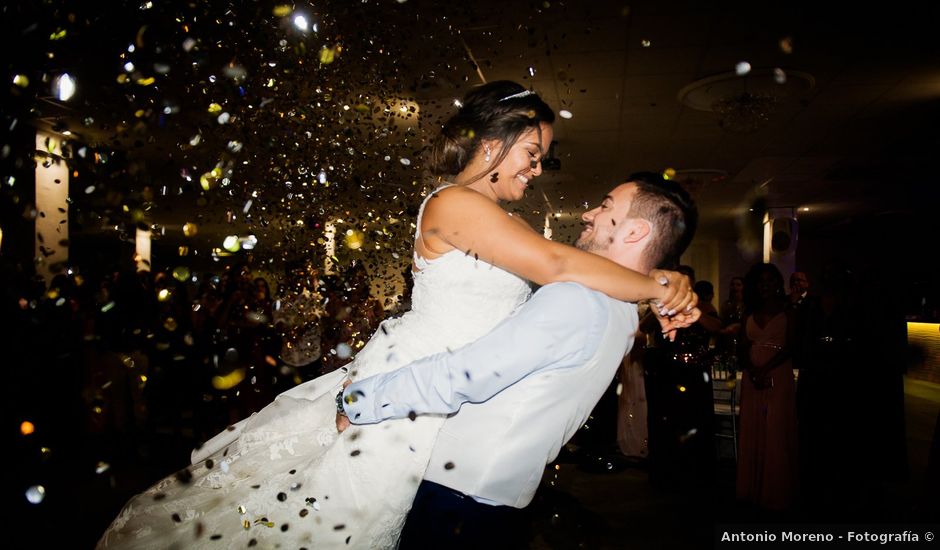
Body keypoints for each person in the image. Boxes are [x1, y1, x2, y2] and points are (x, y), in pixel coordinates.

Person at [96, 81, 695, 549]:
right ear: (492, 144)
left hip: (440, 398)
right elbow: (560, 267)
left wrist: (659, 284)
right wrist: (659, 283)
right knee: (328, 525)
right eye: (532, 153)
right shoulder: (453, 201)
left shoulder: (502, 222)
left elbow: (559, 284)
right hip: (410, 383)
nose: (538, 169)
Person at [338, 172, 698, 549]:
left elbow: (460, 376)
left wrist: (359, 400)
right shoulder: (624, 313)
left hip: (458, 499)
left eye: (606, 206)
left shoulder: (577, 300)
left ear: (635, 232)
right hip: (501, 501)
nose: (589, 214)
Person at [736, 262, 799, 512]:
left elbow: (793, 347)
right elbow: (741, 347)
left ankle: (776, 490)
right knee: (753, 427)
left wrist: (766, 368)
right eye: (761, 282)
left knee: (775, 429)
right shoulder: (747, 314)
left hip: (778, 377)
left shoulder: (789, 312)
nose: (766, 286)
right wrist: (753, 369)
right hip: (753, 379)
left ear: (778, 284)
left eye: (771, 281)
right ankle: (753, 488)